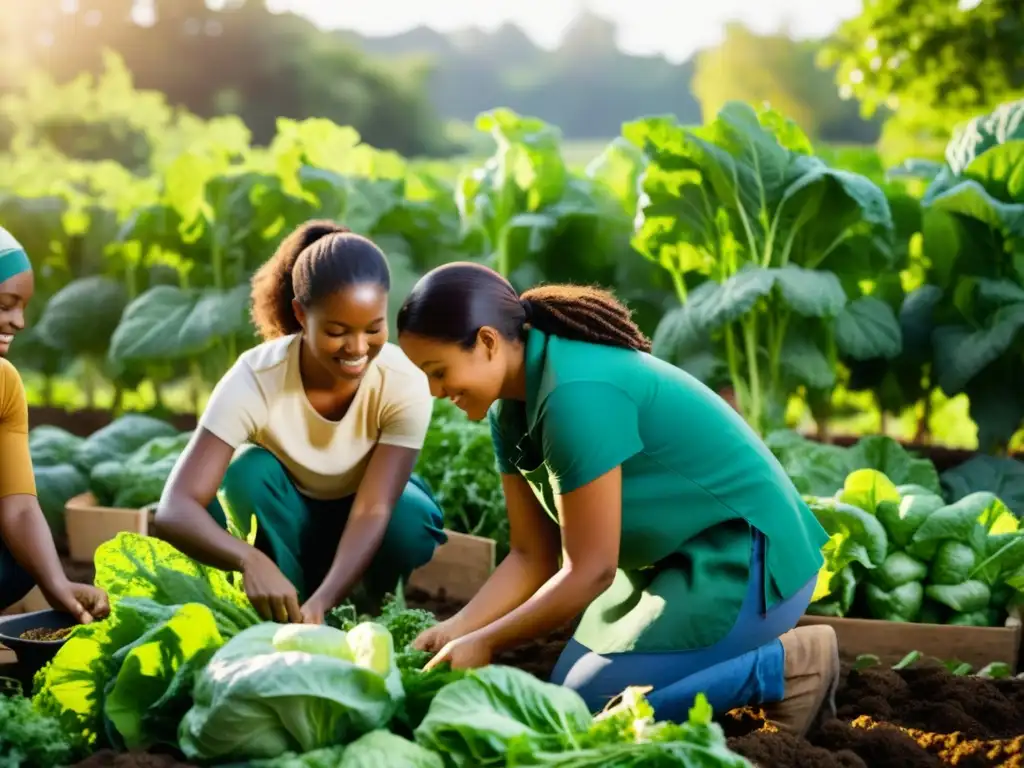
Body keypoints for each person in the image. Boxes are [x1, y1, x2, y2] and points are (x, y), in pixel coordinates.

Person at [395, 261, 839, 736]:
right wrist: (459, 627)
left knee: (586, 708)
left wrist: (485, 641)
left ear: (486, 342)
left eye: (438, 371)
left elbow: (590, 570)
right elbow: (531, 555)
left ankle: (790, 666)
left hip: (749, 559)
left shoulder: (577, 395)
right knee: (571, 693)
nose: (434, 391)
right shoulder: (509, 409)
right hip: (668, 565)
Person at [154, 220, 446, 625]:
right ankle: (283, 609)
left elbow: (374, 509)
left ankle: (366, 606)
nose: (358, 348)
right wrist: (249, 560)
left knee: (409, 518)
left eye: (374, 329)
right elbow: (174, 508)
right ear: (300, 315)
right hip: (285, 520)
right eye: (337, 331)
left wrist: (325, 600)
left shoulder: (402, 381)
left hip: (362, 519)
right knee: (248, 473)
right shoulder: (256, 377)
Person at [0, 226, 110, 622]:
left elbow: (19, 507)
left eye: (22, 307)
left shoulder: (5, 384)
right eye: (4, 306)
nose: (19, 322)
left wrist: (55, 583)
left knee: (16, 563)